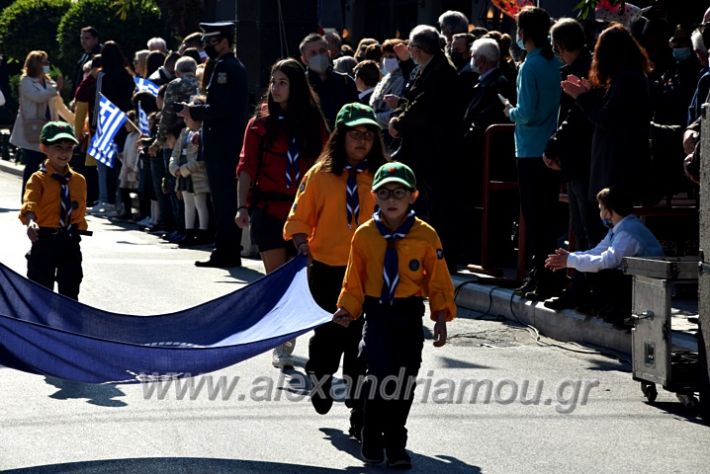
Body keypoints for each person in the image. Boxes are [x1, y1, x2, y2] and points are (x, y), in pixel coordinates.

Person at [332, 161, 455, 469]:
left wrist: (440, 316)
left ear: (412, 196)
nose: (391, 200)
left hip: (409, 313)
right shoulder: (364, 235)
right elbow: (354, 277)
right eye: (384, 193)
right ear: (374, 196)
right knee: (377, 376)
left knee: (405, 378)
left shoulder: (426, 236)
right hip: (377, 314)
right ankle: (372, 434)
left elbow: (438, 278)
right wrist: (347, 308)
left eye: (399, 193)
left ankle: (396, 442)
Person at [283, 103, 386, 441]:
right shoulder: (321, 175)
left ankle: (360, 408)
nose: (362, 141)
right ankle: (320, 376)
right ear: (340, 137)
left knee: (362, 341)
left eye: (369, 135)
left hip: (368, 272)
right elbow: (300, 217)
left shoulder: (382, 177)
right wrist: (301, 244)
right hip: (327, 269)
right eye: (356, 135)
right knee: (329, 337)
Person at [236, 58, 328, 368]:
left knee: (301, 279)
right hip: (269, 209)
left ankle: (295, 328)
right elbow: (246, 167)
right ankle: (282, 339)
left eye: (282, 82)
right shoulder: (259, 124)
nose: (275, 88)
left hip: (304, 213)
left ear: (296, 86)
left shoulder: (314, 124)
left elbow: (325, 169)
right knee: (276, 280)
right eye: (273, 82)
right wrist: (241, 206)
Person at [388, 25, 463, 272]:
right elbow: (413, 100)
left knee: (438, 208)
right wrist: (400, 113)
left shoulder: (441, 72)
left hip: (436, 151)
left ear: (419, 50)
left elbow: (424, 107)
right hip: (424, 150)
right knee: (427, 206)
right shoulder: (427, 69)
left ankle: (441, 258)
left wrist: (399, 121)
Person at [543, 18, 604, 311]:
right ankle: (581, 287)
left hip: (584, 159)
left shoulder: (585, 72)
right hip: (577, 159)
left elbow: (576, 118)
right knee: (581, 229)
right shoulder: (580, 68)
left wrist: (554, 143)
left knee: (589, 229)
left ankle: (590, 290)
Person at [503, 6, 562, 301]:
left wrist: (508, 110)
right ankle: (545, 276)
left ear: (523, 32)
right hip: (551, 146)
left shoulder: (530, 65)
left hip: (529, 148)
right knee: (549, 218)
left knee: (535, 218)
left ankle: (542, 279)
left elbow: (525, 113)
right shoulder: (555, 63)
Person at [545, 187, 664, 325]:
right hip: (638, 280)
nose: (600, 214)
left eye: (601, 209)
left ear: (608, 212)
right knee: (590, 267)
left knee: (602, 272)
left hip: (648, 287)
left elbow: (607, 262)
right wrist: (571, 257)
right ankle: (601, 306)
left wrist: (570, 260)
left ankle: (617, 311)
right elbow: (596, 252)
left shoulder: (628, 232)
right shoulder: (620, 227)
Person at [561, 23, 652, 202]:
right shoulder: (629, 77)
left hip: (619, 166)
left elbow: (605, 118)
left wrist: (581, 97)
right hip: (620, 163)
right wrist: (589, 94)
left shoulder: (627, 79)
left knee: (609, 222)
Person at [186, 21, 249, 268]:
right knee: (222, 200)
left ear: (223, 41)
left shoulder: (226, 68)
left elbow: (221, 109)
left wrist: (194, 110)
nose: (207, 47)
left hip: (224, 146)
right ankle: (226, 248)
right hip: (223, 144)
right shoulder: (229, 66)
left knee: (224, 201)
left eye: (211, 42)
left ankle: (227, 251)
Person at [19, 122, 88, 300]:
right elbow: (30, 202)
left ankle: (68, 327)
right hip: (45, 239)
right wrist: (31, 221)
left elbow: (80, 211)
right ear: (44, 148)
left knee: (71, 291)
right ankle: (40, 327)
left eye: (69, 148)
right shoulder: (38, 179)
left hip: (70, 241)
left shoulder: (78, 180)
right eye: (58, 147)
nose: (64, 153)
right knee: (40, 292)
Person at [11, 50, 72, 200]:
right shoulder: (26, 81)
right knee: (32, 163)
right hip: (32, 130)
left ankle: (43, 197)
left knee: (47, 165)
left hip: (48, 130)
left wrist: (74, 121)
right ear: (35, 64)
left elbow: (59, 106)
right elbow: (38, 97)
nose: (47, 66)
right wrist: (55, 89)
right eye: (44, 63)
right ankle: (28, 198)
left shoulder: (49, 82)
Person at [170, 96, 211, 247]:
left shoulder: (203, 134)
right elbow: (175, 153)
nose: (185, 119)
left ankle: (203, 232)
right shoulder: (184, 133)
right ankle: (188, 232)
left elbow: (201, 159)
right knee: (188, 204)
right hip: (182, 174)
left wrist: (185, 169)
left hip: (196, 175)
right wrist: (174, 169)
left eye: (189, 117)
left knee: (200, 203)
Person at [299, 33, 358, 129]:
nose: (318, 56)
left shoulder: (345, 82)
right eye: (313, 53)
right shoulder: (299, 85)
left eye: (322, 51)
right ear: (304, 59)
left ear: (329, 53)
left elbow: (357, 115)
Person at [71, 26, 101, 98]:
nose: (83, 41)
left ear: (95, 40)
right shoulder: (85, 55)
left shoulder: (99, 55)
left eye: (87, 38)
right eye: (82, 38)